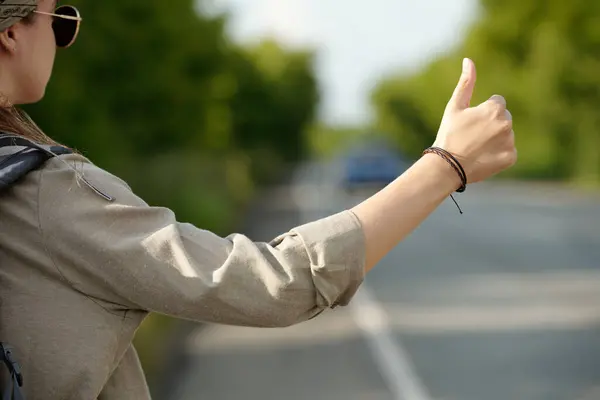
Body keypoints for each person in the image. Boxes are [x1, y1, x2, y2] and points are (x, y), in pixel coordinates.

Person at [0, 0, 517, 399]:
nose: (63, 38)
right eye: (60, 19)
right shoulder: (47, 192)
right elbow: (274, 283)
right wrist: (445, 165)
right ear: (11, 30)